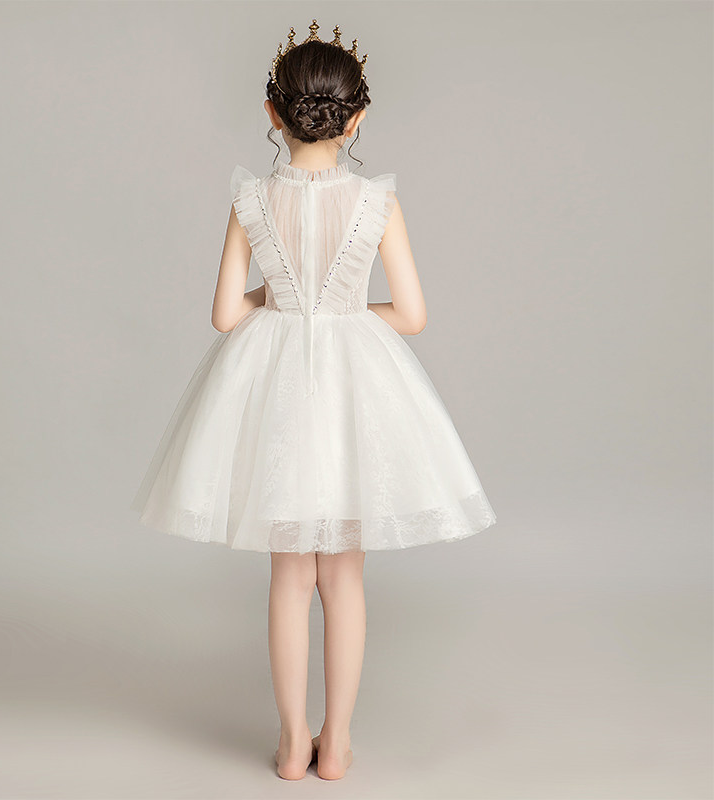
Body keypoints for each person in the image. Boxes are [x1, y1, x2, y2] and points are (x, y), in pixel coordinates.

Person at [131, 18, 497, 782]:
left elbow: (224, 316)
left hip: (275, 390)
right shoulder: (376, 203)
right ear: (357, 119)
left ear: (273, 113)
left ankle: (293, 740)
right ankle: (339, 742)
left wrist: (279, 297)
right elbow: (413, 316)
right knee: (345, 577)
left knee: (290, 577)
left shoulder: (251, 200)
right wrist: (342, 314)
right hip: (355, 386)